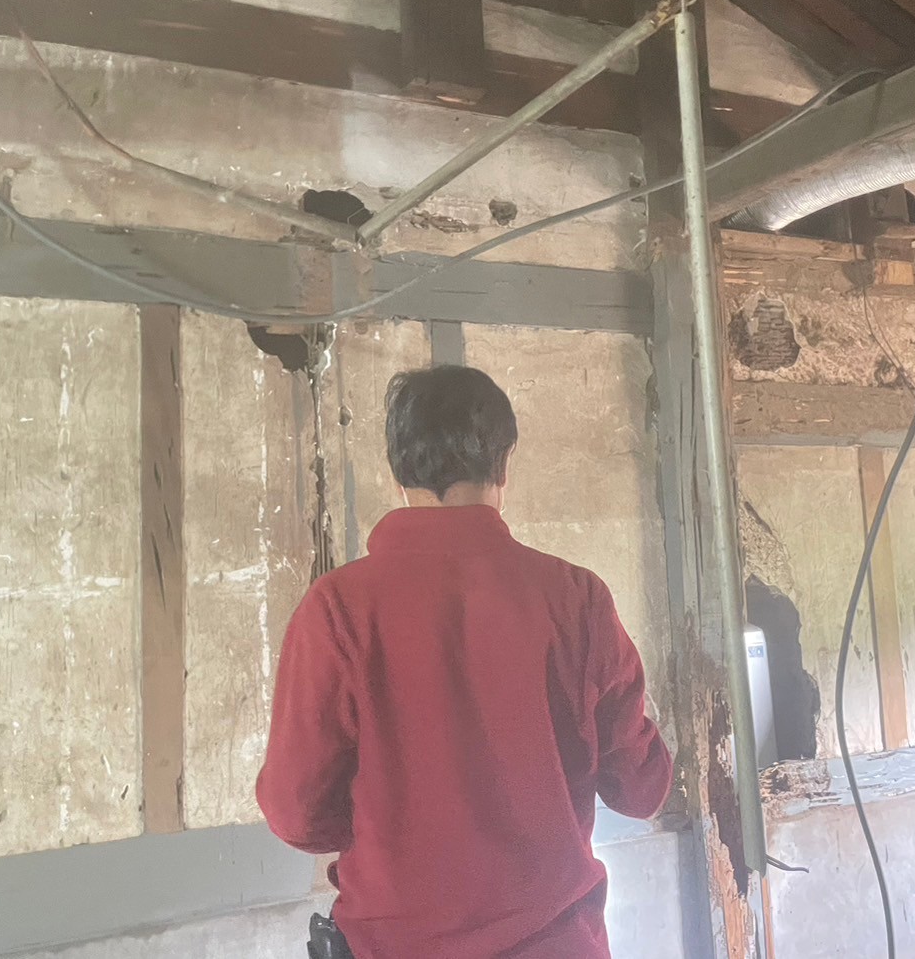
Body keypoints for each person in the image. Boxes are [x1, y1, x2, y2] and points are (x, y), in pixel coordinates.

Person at [256, 365, 672, 959]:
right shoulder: (577, 598)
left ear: (398, 472)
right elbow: (641, 788)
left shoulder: (338, 608)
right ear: (504, 464)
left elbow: (297, 814)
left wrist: (384, 823)